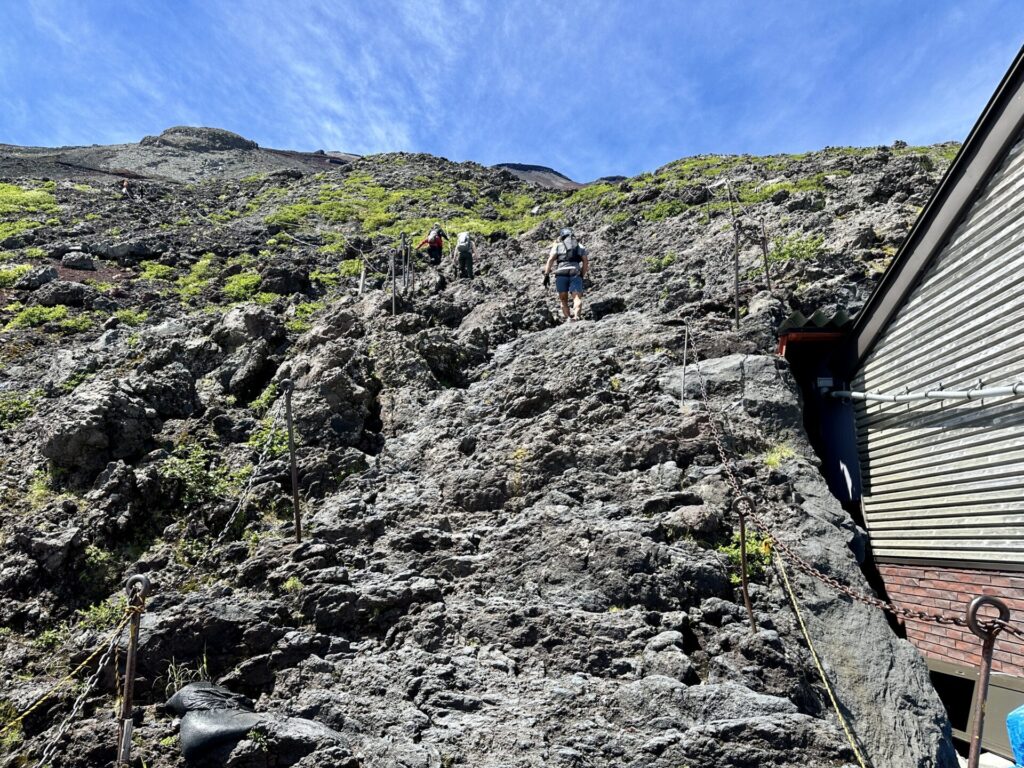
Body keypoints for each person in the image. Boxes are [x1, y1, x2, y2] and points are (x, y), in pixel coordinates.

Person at [543, 227, 589, 321]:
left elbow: (550, 259)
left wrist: (546, 275)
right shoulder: (579, 246)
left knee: (563, 300)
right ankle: (576, 316)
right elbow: (585, 261)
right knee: (576, 297)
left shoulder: (557, 246)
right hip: (574, 272)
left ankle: (568, 318)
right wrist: (582, 275)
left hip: (561, 273)